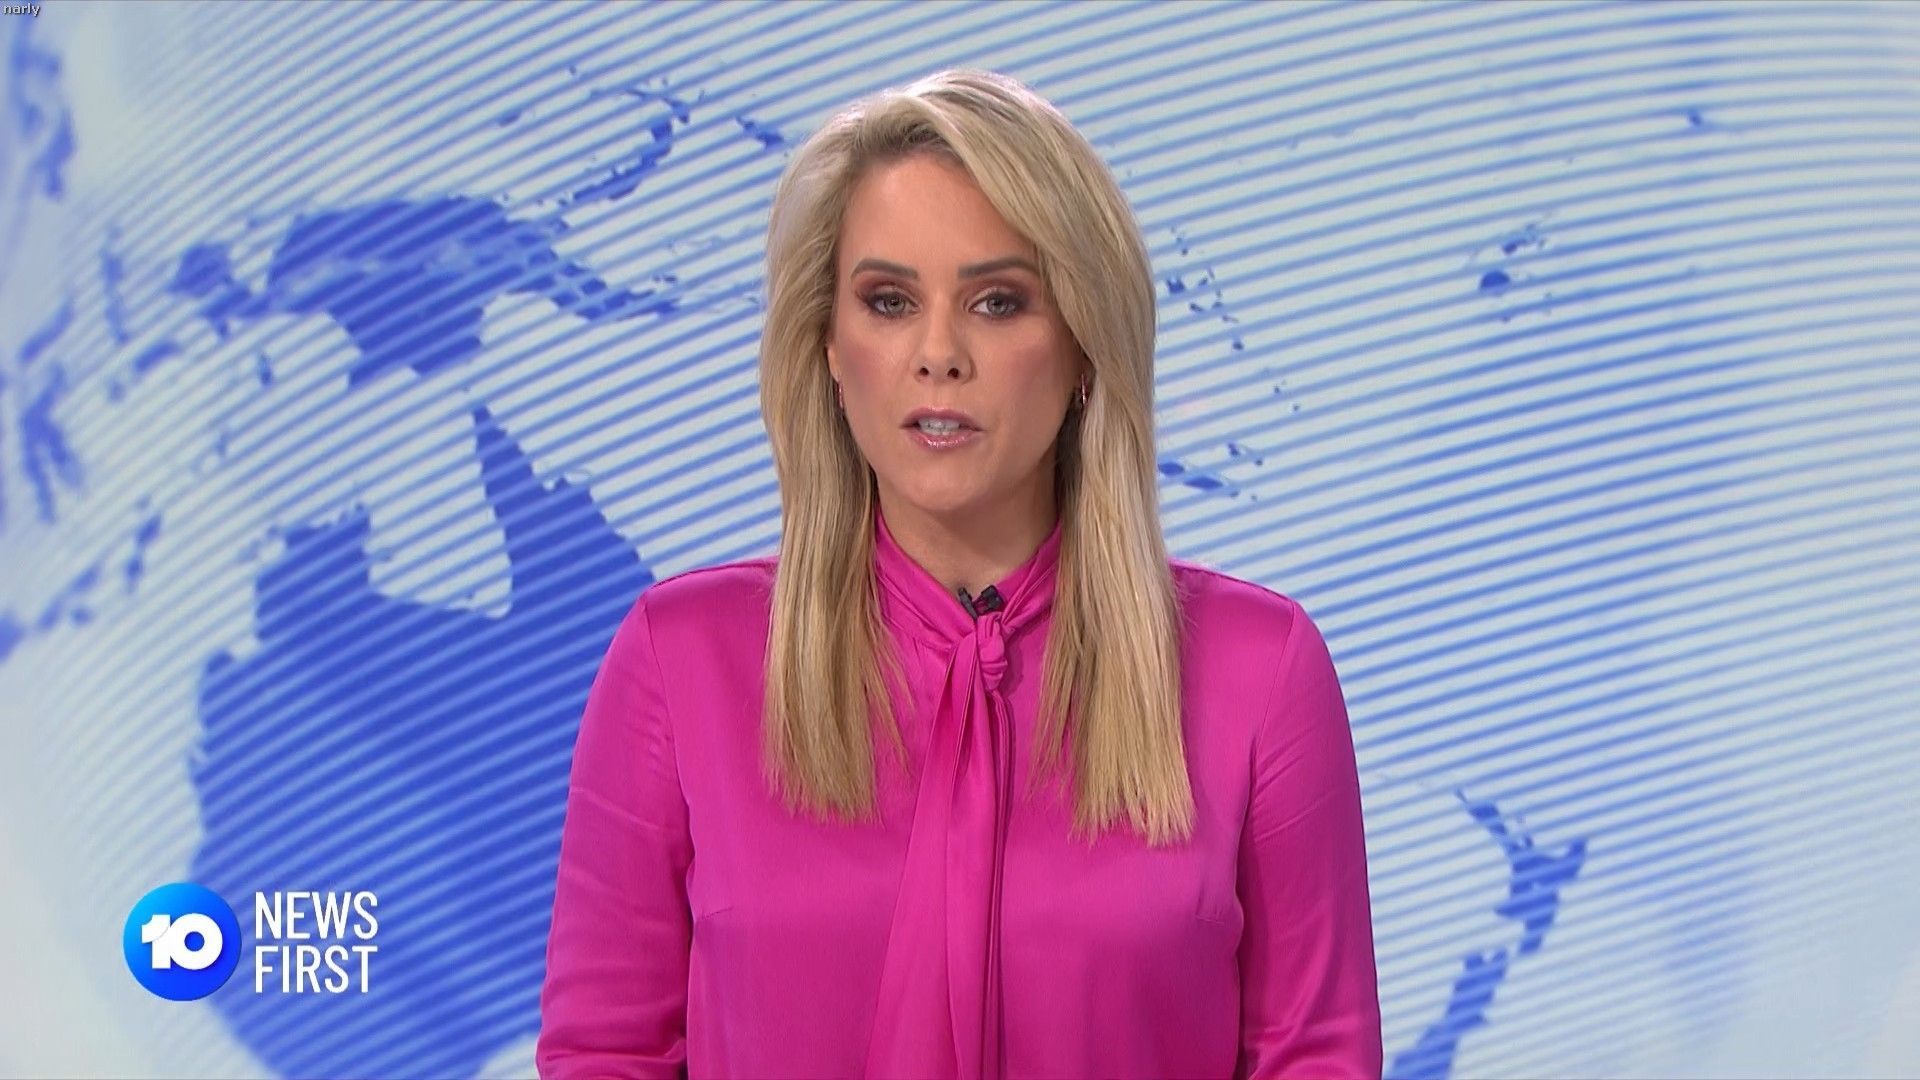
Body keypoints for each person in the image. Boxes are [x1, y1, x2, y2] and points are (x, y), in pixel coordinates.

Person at [536, 68, 1382, 1080]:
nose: (938, 353)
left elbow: (1316, 1058)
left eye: (997, 301)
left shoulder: (1259, 672)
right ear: (830, 348)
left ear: (1082, 348)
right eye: (889, 301)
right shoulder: (681, 664)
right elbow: (605, 1055)